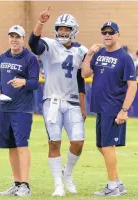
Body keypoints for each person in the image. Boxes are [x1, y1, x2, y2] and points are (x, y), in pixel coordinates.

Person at [29, 7, 88, 196]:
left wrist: (83, 106)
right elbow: (33, 44)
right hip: (52, 101)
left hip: (72, 102)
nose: (63, 32)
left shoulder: (81, 50)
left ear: (73, 30)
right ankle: (58, 184)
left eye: (66, 29)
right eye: (60, 28)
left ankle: (67, 174)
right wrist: (40, 23)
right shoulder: (48, 45)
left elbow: (80, 81)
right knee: (54, 142)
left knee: (78, 142)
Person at [82, 21, 137, 197]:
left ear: (117, 34)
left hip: (113, 108)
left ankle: (112, 186)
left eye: (110, 32)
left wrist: (124, 110)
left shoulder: (124, 57)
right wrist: (89, 54)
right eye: (104, 32)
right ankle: (118, 183)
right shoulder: (99, 54)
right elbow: (85, 74)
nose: (107, 35)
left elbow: (132, 86)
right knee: (101, 146)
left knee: (107, 146)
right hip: (100, 107)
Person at [0, 25, 39, 197]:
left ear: (23, 39)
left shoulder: (30, 58)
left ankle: (25, 186)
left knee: (22, 145)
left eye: (17, 37)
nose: (14, 39)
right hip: (5, 108)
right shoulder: (3, 57)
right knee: (10, 147)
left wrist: (23, 82)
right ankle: (16, 183)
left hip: (22, 110)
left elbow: (35, 83)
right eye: (11, 36)